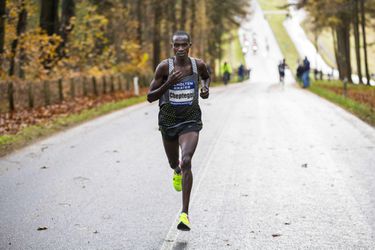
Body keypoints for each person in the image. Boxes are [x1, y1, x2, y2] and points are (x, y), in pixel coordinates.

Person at [147, 31, 210, 231]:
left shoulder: (197, 65)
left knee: (187, 160)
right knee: (175, 162)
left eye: (184, 45)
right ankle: (176, 170)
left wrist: (205, 88)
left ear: (190, 45)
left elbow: (206, 77)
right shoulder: (165, 67)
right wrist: (168, 83)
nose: (181, 49)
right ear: (172, 46)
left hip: (190, 119)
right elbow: (150, 97)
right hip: (168, 121)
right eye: (177, 45)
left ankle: (185, 214)